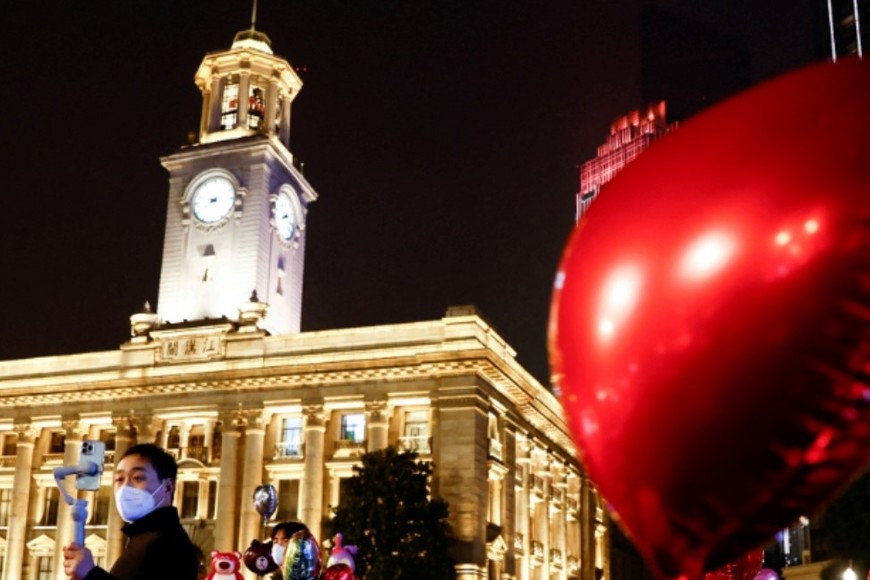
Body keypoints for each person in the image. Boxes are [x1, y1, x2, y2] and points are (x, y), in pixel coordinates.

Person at [63, 443, 199, 579]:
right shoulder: (143, 539)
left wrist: (90, 573)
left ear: (168, 487)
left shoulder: (169, 543)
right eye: (119, 479)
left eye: (137, 478)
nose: (125, 487)